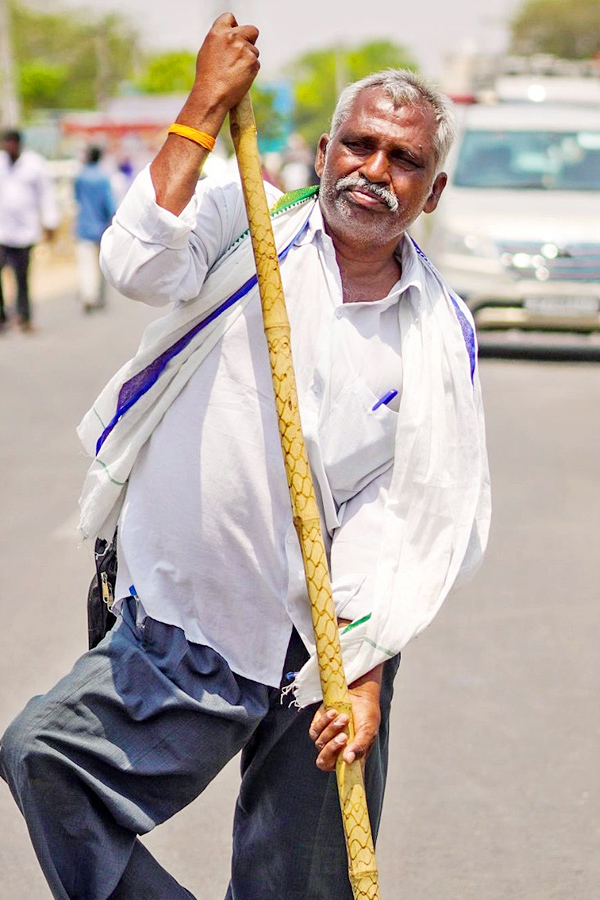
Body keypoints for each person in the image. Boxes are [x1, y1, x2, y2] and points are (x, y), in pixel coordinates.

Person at [0, 13, 491, 900]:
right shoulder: (243, 215)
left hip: (325, 654)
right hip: (182, 620)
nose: (374, 170)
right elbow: (135, 261)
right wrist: (204, 103)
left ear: (435, 189)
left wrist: (366, 671)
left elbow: (415, 512)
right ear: (324, 148)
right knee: (45, 757)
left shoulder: (437, 334)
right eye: (360, 144)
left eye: (403, 160)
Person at [0, 129, 60, 332]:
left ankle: (24, 317)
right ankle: (2, 317)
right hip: (2, 231)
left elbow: (46, 195)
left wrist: (50, 222)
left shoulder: (34, 164)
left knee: (22, 277)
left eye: (12, 143)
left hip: (25, 232)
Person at [74, 145, 116, 312]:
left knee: (85, 264)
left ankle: (88, 295)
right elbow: (109, 204)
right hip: (101, 227)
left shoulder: (80, 177)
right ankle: (98, 296)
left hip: (84, 226)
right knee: (101, 264)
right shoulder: (103, 178)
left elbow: (77, 199)